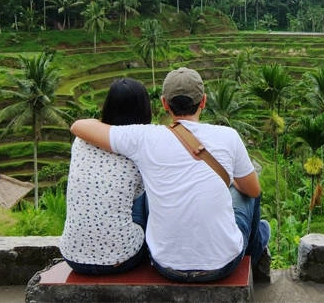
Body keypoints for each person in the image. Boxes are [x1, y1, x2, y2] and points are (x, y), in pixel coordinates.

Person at [70, 67, 271, 282]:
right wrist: (231, 184)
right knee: (250, 199)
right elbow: (253, 189)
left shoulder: (143, 137)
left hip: (166, 265)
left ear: (165, 103)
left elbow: (78, 126)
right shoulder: (228, 136)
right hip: (222, 265)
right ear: (203, 101)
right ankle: (252, 254)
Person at [60, 77, 152, 275]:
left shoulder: (82, 140)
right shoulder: (138, 150)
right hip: (121, 258)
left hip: (72, 256)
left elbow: (81, 124)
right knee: (147, 193)